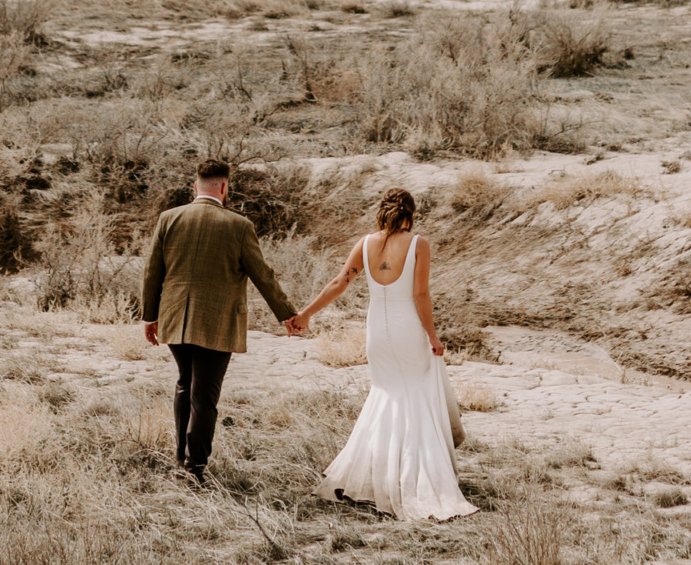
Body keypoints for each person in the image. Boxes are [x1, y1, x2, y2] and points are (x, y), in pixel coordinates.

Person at [288, 187, 478, 523]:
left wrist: (305, 314)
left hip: (377, 330)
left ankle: (377, 476)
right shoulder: (418, 243)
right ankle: (414, 479)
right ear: (411, 214)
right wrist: (433, 336)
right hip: (407, 329)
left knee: (385, 394)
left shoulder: (365, 243)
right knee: (415, 396)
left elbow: (339, 281)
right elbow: (420, 294)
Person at [139, 158, 303, 484]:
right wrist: (288, 315)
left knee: (185, 384)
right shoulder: (239, 226)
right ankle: (194, 469)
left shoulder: (169, 218)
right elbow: (263, 276)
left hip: (174, 318)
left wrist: (149, 316)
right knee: (205, 395)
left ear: (194, 185)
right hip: (216, 321)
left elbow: (152, 272)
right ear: (225, 187)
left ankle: (181, 461)